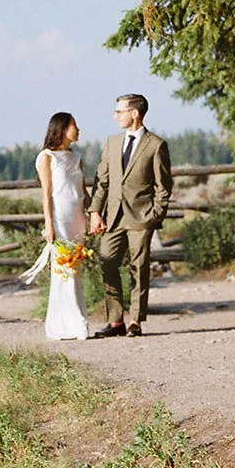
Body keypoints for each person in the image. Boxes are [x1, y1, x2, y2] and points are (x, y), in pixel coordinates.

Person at [87, 92, 172, 337]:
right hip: (113, 216)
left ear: (134, 113)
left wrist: (154, 215)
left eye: (119, 111)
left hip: (141, 217)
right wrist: (95, 211)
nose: (115, 116)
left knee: (139, 266)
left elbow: (163, 186)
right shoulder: (112, 143)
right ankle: (115, 321)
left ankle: (135, 320)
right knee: (107, 261)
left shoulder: (156, 145)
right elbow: (102, 181)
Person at [31, 111, 90, 341]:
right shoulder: (46, 157)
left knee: (76, 269)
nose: (78, 129)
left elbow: (83, 190)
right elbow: (46, 193)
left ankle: (75, 321)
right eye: (74, 125)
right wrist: (49, 223)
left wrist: (93, 214)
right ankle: (73, 323)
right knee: (65, 269)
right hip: (60, 217)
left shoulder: (76, 156)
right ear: (62, 129)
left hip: (78, 217)